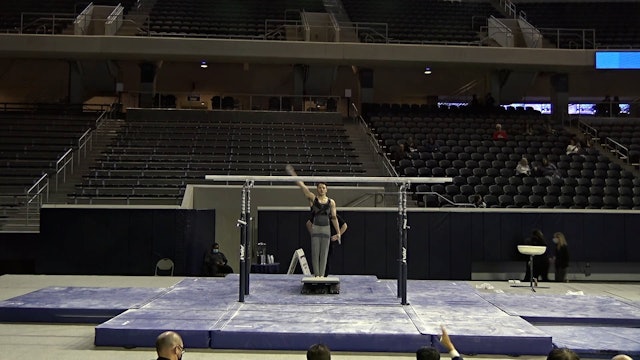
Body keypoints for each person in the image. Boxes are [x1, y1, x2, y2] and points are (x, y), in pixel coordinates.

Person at [286, 165, 341, 277]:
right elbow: (303, 186)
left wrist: (338, 232)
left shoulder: (331, 202)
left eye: (323, 187)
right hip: (316, 229)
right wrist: (293, 174)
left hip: (326, 229)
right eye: (320, 187)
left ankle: (322, 275)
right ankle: (316, 275)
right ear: (317, 189)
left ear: (326, 189)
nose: (321, 189)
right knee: (315, 254)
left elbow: (334, 218)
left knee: (324, 254)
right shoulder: (312, 198)